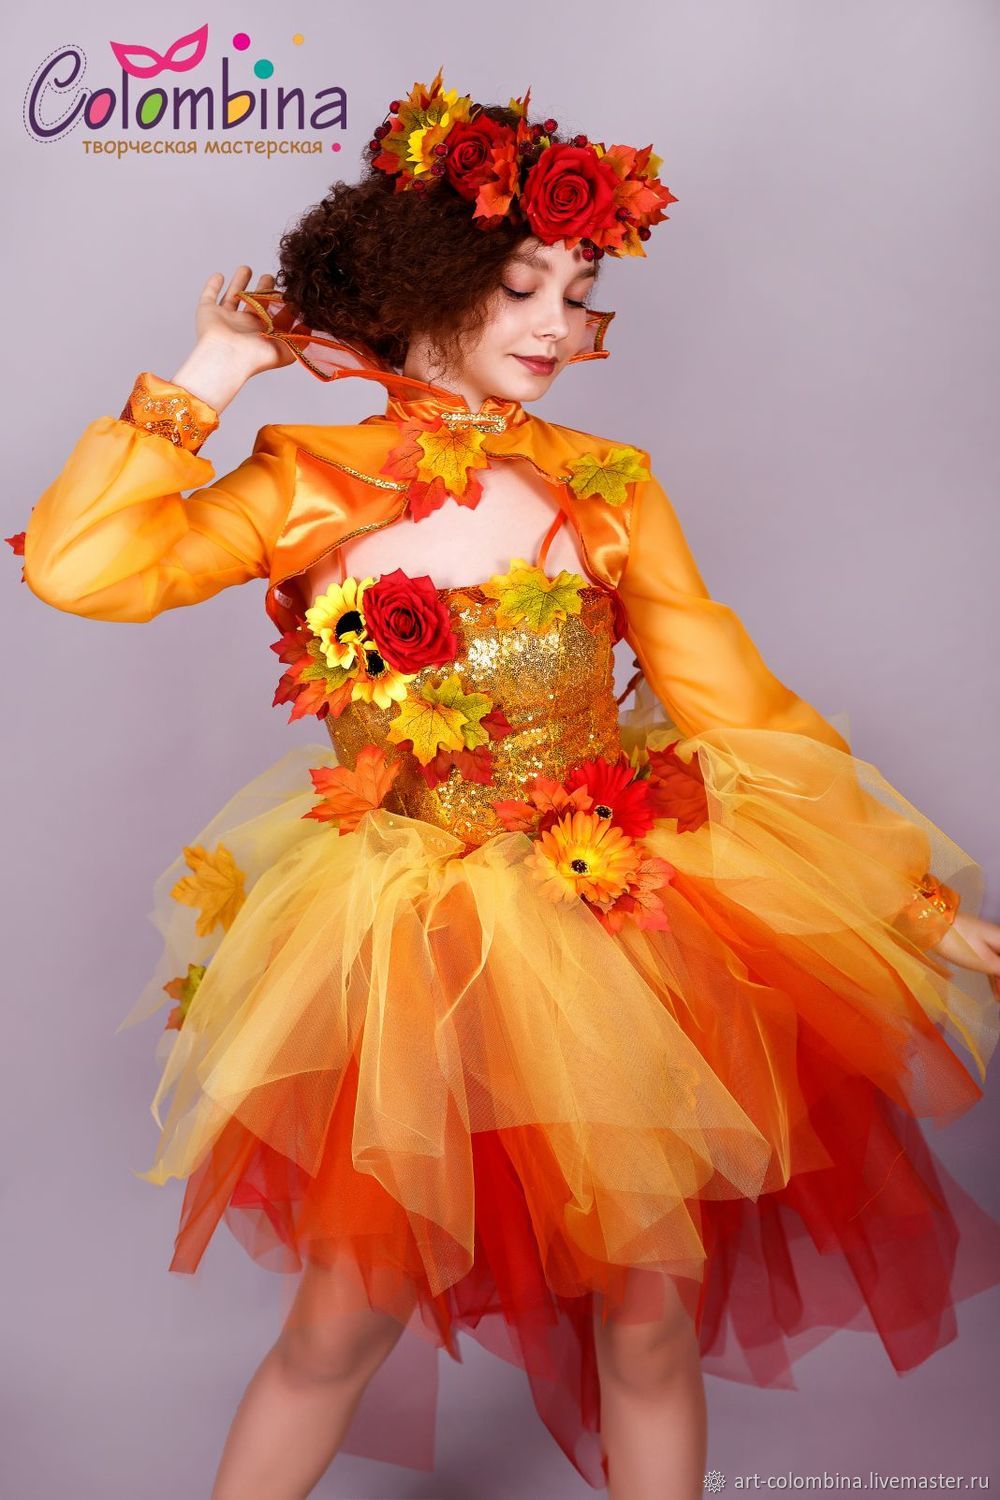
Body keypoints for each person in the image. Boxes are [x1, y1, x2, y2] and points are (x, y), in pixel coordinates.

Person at [15, 71, 1000, 1500]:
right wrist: (211, 374)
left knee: (649, 1323)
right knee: (337, 1326)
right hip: (401, 945)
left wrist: (908, 906)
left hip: (623, 932)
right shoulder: (313, 482)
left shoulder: (607, 485)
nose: (555, 325)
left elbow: (739, 707)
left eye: (579, 294)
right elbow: (78, 568)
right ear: (421, 280)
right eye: (522, 286)